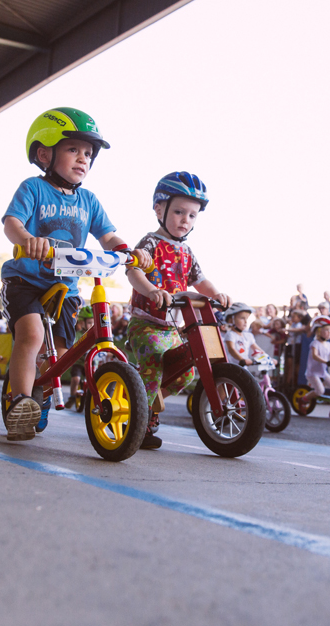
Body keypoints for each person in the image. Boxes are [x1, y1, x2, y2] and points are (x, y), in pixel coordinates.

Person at [0, 108, 148, 442]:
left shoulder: (89, 201)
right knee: (32, 335)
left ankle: (43, 391)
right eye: (73, 150)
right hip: (25, 280)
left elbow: (108, 236)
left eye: (88, 154)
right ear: (44, 153)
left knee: (63, 352)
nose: (83, 159)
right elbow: (12, 222)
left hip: (64, 285)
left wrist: (130, 252)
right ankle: (20, 401)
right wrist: (27, 241)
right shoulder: (33, 189)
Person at [126, 171, 229, 449]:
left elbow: (200, 281)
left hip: (172, 327)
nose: (186, 220)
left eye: (192, 215)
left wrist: (216, 292)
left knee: (186, 372)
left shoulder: (187, 252)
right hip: (146, 324)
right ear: (160, 209)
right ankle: (142, 418)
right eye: (179, 212)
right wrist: (151, 290)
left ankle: (143, 401)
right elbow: (134, 271)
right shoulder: (151, 243)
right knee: (154, 364)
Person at [299, 316, 330, 417]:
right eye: (327, 330)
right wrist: (327, 361)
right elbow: (315, 356)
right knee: (320, 391)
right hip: (312, 372)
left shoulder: (328, 344)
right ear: (318, 331)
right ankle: (303, 400)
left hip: (323, 372)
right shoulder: (315, 343)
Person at [65, 306, 95, 410]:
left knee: (95, 379)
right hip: (79, 362)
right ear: (82, 322)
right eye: (89, 322)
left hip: (92, 363)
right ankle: (72, 396)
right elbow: (74, 344)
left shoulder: (94, 335)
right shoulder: (78, 334)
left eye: (93, 322)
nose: (91, 325)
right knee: (76, 379)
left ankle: (94, 398)